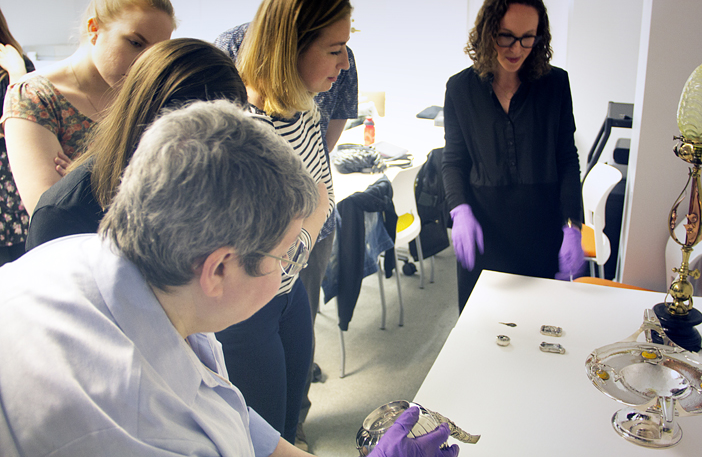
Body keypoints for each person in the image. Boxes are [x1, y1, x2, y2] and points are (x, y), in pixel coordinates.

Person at [0, 100, 457, 457]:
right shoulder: (140, 427)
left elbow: (235, 422)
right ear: (218, 269)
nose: (290, 266)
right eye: (287, 253)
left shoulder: (116, 269)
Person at [214, 0, 363, 450]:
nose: (344, 65)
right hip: (248, 306)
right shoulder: (242, 131)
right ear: (292, 44)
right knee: (262, 435)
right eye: (335, 50)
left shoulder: (302, 106)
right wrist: (302, 224)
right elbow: (253, 252)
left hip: (288, 291)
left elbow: (320, 197)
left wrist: (297, 230)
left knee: (290, 413)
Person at [24, 38, 248, 251]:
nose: (220, 156)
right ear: (153, 121)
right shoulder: (64, 214)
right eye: (204, 139)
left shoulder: (210, 194)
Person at [442, 0, 585, 313]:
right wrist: (459, 209)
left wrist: (573, 225)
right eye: (506, 35)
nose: (516, 48)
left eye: (527, 37)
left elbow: (567, 158)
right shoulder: (460, 89)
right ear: (488, 31)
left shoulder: (555, 85)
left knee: (541, 329)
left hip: (541, 233)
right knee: (481, 333)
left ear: (539, 37)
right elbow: (453, 161)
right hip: (483, 233)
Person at [2, 0, 175, 216]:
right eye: (135, 43)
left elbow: (173, 198)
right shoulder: (34, 96)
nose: (144, 63)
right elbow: (50, 216)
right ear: (94, 29)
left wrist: (78, 180)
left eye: (155, 53)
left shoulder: (148, 95)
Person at [0, 7, 36, 265]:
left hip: (13, 186)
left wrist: (16, 73)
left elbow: (27, 118)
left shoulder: (17, 65)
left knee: (21, 266)